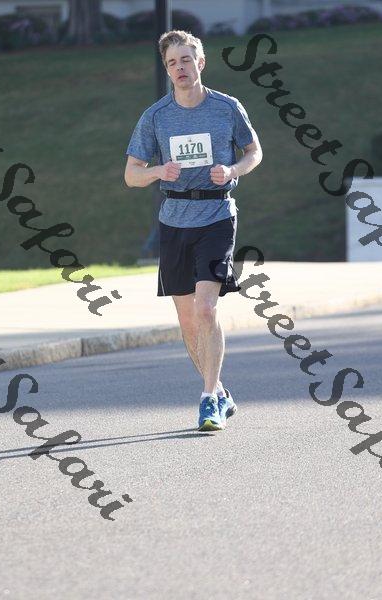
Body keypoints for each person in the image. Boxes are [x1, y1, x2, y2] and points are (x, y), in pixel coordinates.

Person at [124, 30, 262, 431]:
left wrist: (232, 170)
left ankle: (207, 400)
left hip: (217, 215)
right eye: (172, 63)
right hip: (174, 220)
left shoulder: (226, 107)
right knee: (188, 322)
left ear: (200, 63)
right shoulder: (156, 116)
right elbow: (131, 175)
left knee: (206, 309)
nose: (180, 68)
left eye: (186, 60)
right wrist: (157, 171)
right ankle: (219, 391)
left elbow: (253, 151)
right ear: (167, 70)